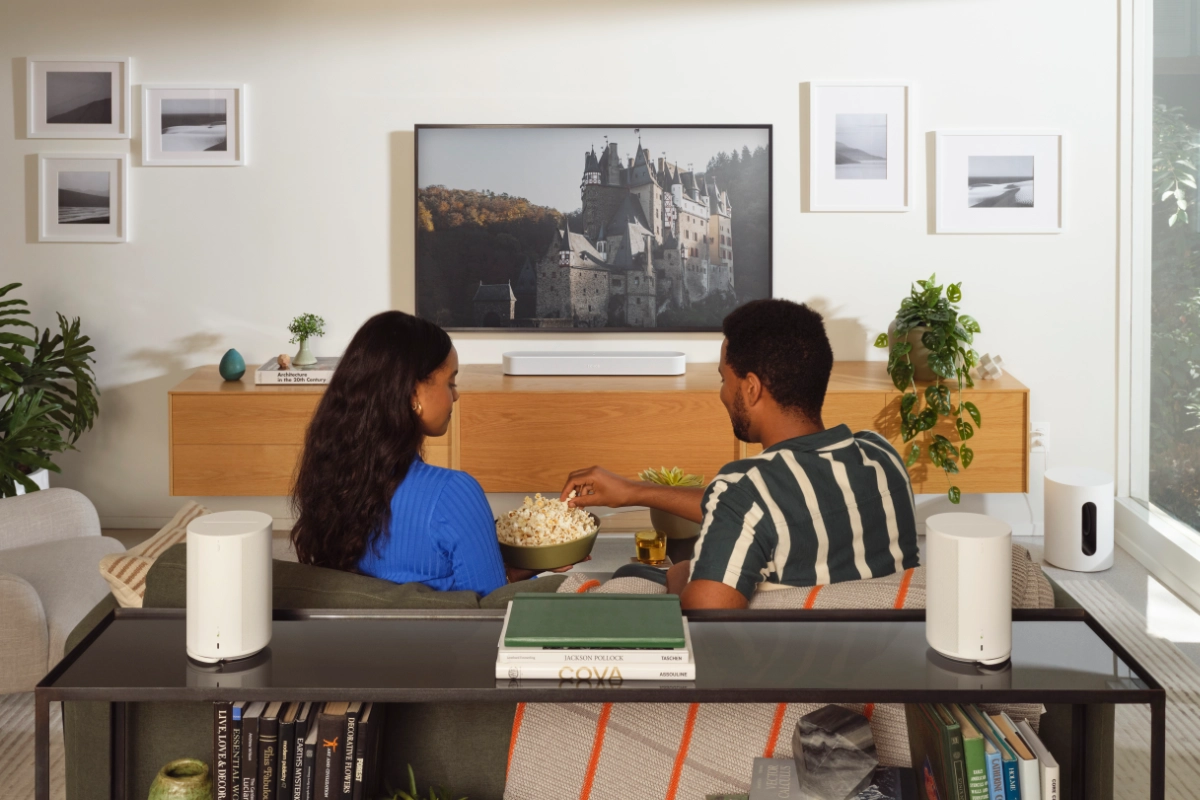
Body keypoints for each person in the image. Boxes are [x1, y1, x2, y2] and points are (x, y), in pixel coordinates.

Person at [561, 298, 920, 610]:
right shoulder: (881, 456)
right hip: (876, 656)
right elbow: (767, 507)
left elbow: (705, 612)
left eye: (723, 379)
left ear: (750, 388)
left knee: (634, 572)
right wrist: (634, 492)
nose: (721, 393)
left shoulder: (747, 485)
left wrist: (680, 574)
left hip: (778, 668)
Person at [291, 311, 558, 595]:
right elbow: (494, 609)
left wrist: (508, 570)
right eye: (451, 382)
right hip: (456, 640)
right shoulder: (454, 494)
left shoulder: (329, 481)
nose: (456, 395)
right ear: (414, 392)